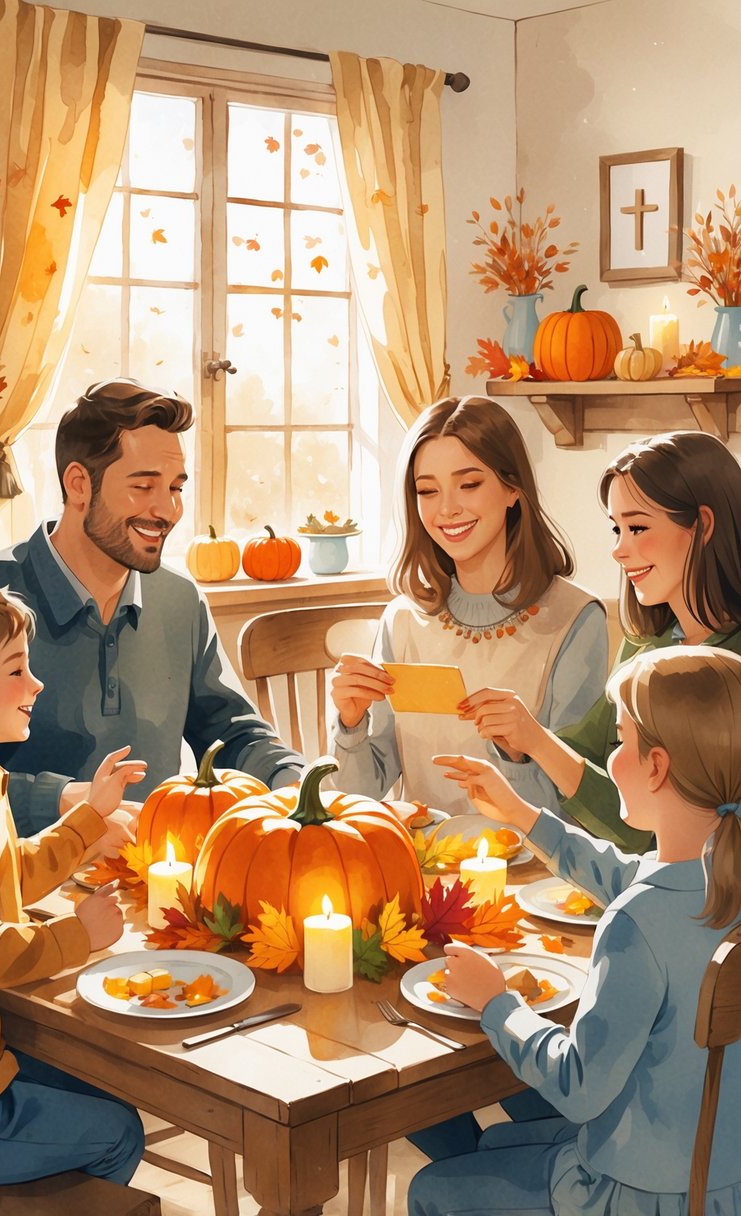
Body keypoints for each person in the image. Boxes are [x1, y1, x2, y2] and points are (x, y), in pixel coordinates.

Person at [408, 646, 741, 1216]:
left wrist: (497, 1002)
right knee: (495, 1142)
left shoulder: (636, 924)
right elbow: (626, 873)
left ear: (656, 766)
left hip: (632, 1196)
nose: (611, 758)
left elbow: (580, 1087)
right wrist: (521, 813)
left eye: (619, 742)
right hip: (718, 1180)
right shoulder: (715, 877)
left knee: (431, 1189)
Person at [0, 379, 304, 837]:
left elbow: (233, 731)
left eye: (176, 487)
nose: (168, 510)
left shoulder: (180, 600)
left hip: (151, 877)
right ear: (79, 484)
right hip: (15, 889)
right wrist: (63, 800)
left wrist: (292, 783)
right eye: (143, 486)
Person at [0, 587, 149, 1187]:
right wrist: (80, 935)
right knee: (120, 1128)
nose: (36, 684)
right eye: (17, 670)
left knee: (96, 1083)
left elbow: (1, 873)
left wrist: (88, 819)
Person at [328, 396, 608, 820]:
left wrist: (520, 755)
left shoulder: (576, 619)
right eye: (427, 490)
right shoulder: (402, 620)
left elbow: (581, 810)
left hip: (535, 880)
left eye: (470, 484)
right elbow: (360, 796)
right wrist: (350, 725)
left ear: (513, 488)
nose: (446, 509)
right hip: (423, 868)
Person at [462, 429, 741, 851]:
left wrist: (537, 742)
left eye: (638, 527)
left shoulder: (728, 668)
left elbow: (645, 831)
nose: (619, 550)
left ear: (702, 525)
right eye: (617, 529)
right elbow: (584, 754)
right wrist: (521, 744)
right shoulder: (646, 645)